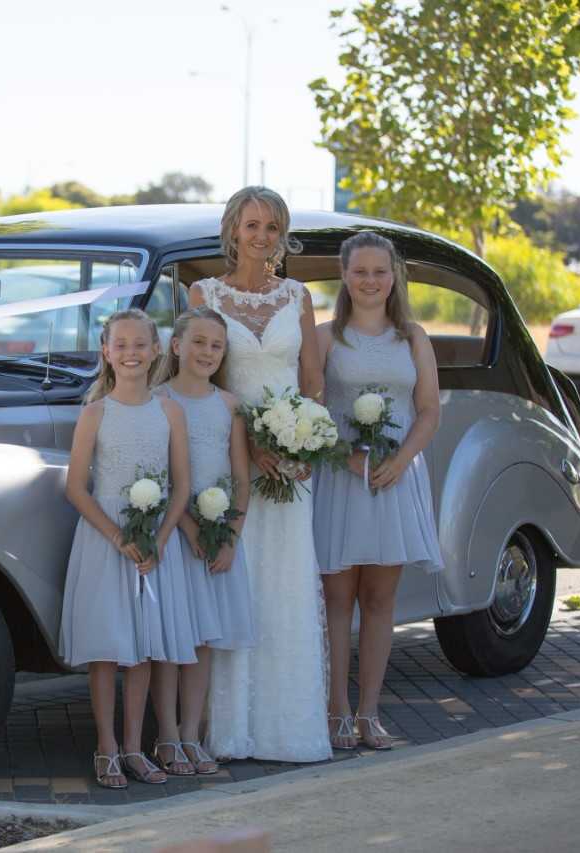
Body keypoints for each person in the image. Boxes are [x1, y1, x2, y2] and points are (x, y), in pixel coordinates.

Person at [188, 186, 332, 763]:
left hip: (290, 465)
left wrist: (303, 440)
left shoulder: (298, 296)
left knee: (284, 585)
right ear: (232, 230)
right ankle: (227, 730)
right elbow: (198, 373)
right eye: (252, 225)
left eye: (272, 227)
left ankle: (284, 729)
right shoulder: (205, 293)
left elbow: (313, 380)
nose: (262, 237)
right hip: (225, 454)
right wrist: (248, 440)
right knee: (233, 580)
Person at [313, 231, 444, 750]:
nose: (371, 280)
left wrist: (403, 458)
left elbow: (430, 409)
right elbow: (310, 412)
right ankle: (336, 711)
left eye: (380, 271)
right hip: (341, 480)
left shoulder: (414, 338)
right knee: (337, 599)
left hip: (393, 480)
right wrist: (343, 456)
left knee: (380, 599)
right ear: (344, 276)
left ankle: (370, 712)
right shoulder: (326, 338)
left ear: (395, 277)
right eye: (360, 271)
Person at [59, 307, 198, 788]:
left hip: (156, 542)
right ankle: (107, 748)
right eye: (121, 345)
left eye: (141, 344)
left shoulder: (169, 410)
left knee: (143, 650)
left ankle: (137, 748)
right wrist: (119, 537)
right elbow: (77, 488)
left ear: (157, 349)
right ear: (106, 352)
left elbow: (182, 485)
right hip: (106, 540)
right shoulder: (95, 413)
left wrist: (158, 539)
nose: (131, 353)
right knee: (108, 649)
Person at [151, 307, 257, 776]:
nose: (207, 352)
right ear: (176, 346)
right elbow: (154, 473)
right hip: (175, 535)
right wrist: (189, 528)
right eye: (198, 342)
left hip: (217, 538)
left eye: (216, 345)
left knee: (204, 641)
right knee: (173, 639)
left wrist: (229, 537)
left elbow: (241, 478)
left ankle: (193, 733)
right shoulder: (156, 399)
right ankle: (167, 737)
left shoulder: (229, 405)